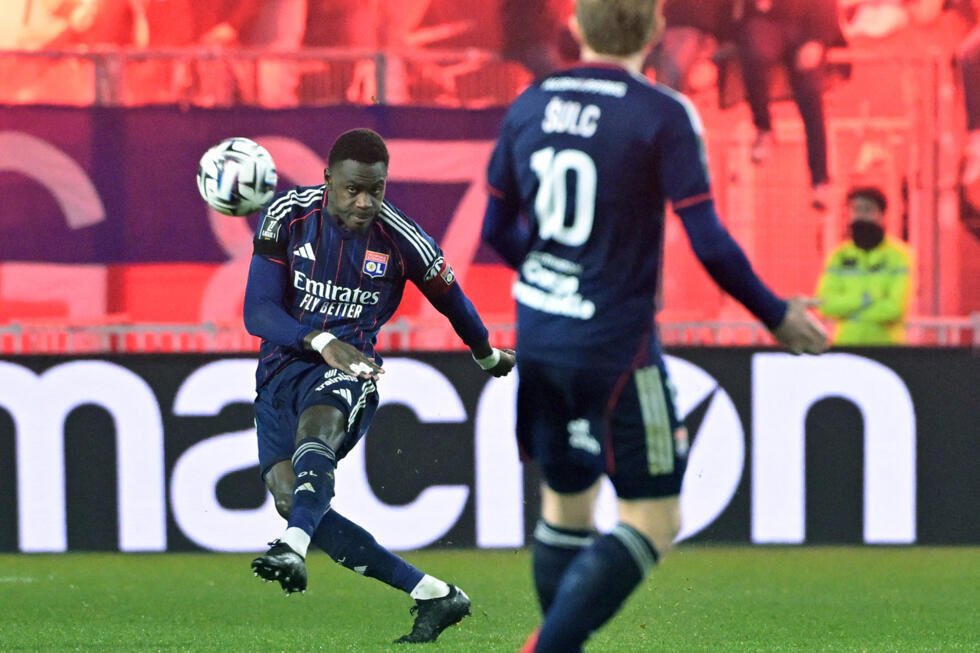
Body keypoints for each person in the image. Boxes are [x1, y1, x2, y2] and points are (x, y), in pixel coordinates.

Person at [480, 1, 829, 651]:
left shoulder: (529, 104)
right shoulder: (662, 113)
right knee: (655, 517)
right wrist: (777, 314)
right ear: (657, 31)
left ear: (577, 29)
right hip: (615, 347)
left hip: (541, 339)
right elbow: (710, 242)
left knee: (566, 505)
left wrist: (554, 275)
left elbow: (496, 230)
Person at [242, 128, 515, 644]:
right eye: (353, 190)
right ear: (327, 180)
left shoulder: (402, 239)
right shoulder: (287, 216)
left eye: (377, 190)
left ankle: (291, 548)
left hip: (351, 368)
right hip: (281, 371)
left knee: (316, 430)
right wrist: (318, 339)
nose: (365, 202)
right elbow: (258, 313)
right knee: (287, 493)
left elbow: (453, 301)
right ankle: (434, 594)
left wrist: (485, 353)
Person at [733, 0, 844, 210]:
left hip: (806, 30)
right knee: (756, 55)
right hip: (767, 23)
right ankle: (764, 128)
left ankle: (820, 180)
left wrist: (818, 40)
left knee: (811, 96)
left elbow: (827, 8)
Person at [815, 186, 914, 345]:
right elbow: (825, 304)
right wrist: (866, 301)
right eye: (856, 210)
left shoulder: (900, 256)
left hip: (888, 348)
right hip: (847, 347)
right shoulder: (839, 256)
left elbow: (895, 308)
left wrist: (851, 313)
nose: (861, 216)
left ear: (881, 215)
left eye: (867, 210)